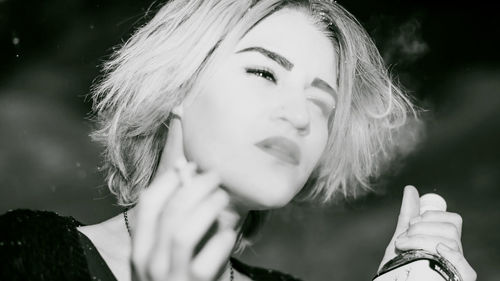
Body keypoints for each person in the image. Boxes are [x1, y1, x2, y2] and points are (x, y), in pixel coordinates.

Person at [0, 0, 477, 280]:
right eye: (264, 72)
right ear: (177, 85)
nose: (298, 116)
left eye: (322, 103)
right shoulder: (21, 254)